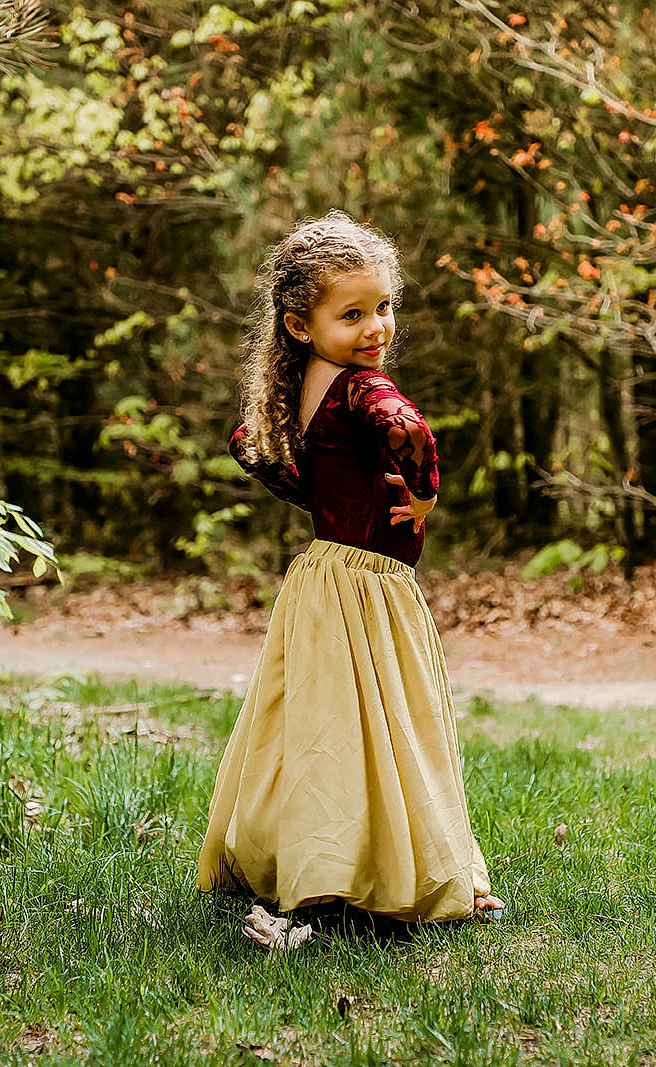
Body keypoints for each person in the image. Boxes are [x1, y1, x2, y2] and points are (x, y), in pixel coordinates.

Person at [196, 211, 506, 937]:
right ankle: (388, 872)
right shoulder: (362, 390)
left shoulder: (302, 386)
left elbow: (250, 446)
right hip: (369, 585)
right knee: (390, 723)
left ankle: (321, 861)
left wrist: (322, 494)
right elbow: (412, 431)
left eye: (384, 307)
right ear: (301, 325)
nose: (376, 328)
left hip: (321, 578)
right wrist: (424, 488)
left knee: (324, 727)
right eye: (353, 314)